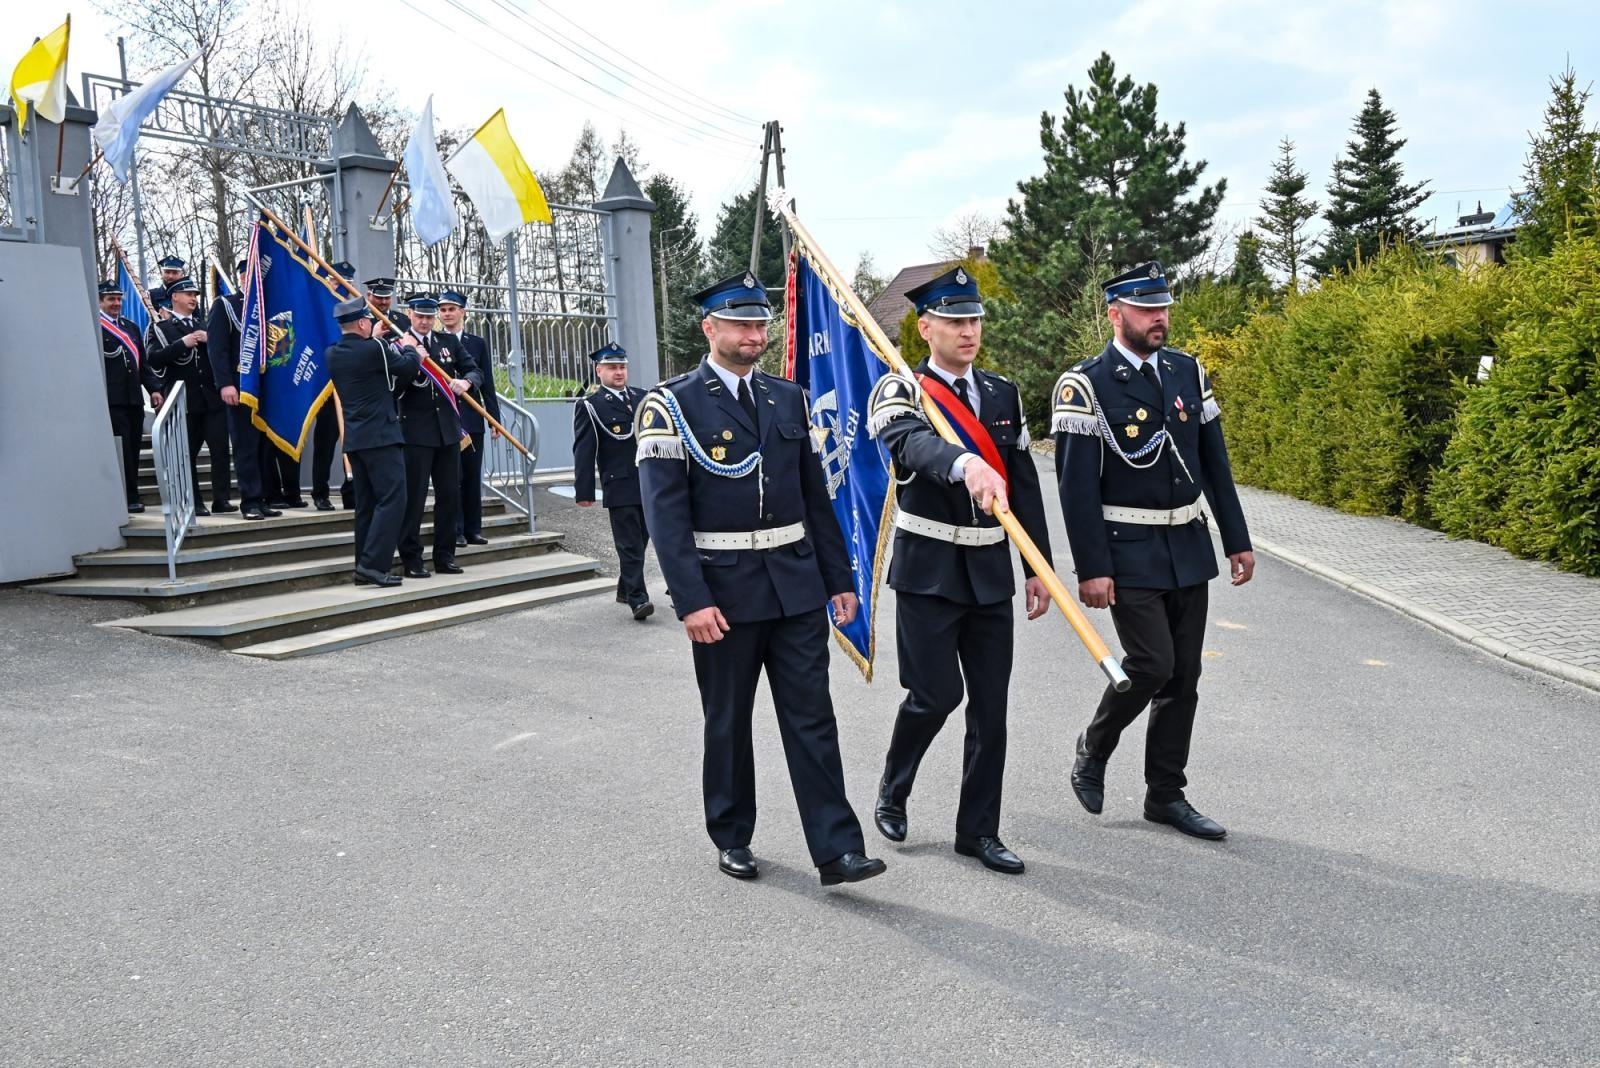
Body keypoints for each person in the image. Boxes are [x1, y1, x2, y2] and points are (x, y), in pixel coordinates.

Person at [636, 271, 886, 888]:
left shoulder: (788, 398)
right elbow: (665, 520)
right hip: (722, 594)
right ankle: (732, 833)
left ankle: (838, 850)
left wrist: (839, 579)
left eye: (761, 325)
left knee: (813, 719)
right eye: (742, 324)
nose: (755, 335)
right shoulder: (670, 405)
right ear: (710, 328)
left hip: (796, 586)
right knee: (728, 720)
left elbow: (814, 498)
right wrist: (690, 600)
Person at [1053, 261, 1254, 841]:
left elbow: (1215, 464)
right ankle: (1095, 744)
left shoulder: (1188, 372)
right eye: (1146, 309)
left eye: (1163, 307)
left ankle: (1166, 794)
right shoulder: (1085, 383)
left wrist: (1236, 539)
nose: (1159, 318)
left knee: (1183, 676)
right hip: (1127, 546)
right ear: (1115, 314)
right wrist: (1092, 568)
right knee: (1151, 664)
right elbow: (1076, 489)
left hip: (1186, 544)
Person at [866, 266, 1054, 875]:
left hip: (989, 571)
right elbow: (909, 445)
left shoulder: (1002, 394)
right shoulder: (901, 390)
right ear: (927, 329)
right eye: (954, 321)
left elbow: (1022, 482)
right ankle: (895, 786)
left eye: (974, 320)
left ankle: (978, 831)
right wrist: (963, 464)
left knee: (991, 707)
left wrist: (1037, 568)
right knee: (934, 694)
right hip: (928, 569)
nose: (968, 331)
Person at [326, 297, 424, 586]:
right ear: (362, 322)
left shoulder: (332, 353)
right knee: (394, 499)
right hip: (381, 436)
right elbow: (407, 368)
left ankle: (363, 566)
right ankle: (373, 565)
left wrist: (376, 339)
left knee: (366, 505)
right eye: (368, 320)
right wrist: (410, 347)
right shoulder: (377, 348)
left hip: (356, 440)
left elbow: (368, 362)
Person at [395, 294, 475, 578]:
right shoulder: (399, 344)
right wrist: (413, 358)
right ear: (410, 314)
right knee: (414, 499)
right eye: (421, 317)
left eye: (430, 317)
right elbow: (396, 386)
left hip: (448, 432)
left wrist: (466, 381)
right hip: (415, 433)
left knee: (450, 497)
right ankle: (412, 559)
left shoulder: (448, 342)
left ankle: (445, 556)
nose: (426, 322)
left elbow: (473, 369)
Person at [573, 342, 653, 620]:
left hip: (648, 483)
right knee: (629, 544)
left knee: (642, 540)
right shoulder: (591, 406)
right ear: (599, 371)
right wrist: (584, 490)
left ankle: (624, 587)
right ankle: (638, 599)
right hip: (618, 483)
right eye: (612, 368)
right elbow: (584, 450)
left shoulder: (644, 397)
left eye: (622, 367)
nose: (619, 372)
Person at [144, 277, 233, 516]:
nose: (193, 298)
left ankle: (221, 499)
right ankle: (195, 501)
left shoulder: (205, 324)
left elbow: (221, 354)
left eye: (195, 294)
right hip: (184, 402)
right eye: (188, 294)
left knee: (220, 450)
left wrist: (208, 339)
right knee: (187, 454)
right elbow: (153, 359)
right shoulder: (161, 328)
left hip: (211, 399)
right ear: (174, 297)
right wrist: (182, 343)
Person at [204, 260, 281, 521]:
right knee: (245, 445)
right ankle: (249, 501)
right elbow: (217, 349)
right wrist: (225, 383)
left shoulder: (269, 306)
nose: (253, 279)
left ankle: (263, 498)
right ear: (240, 277)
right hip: (240, 387)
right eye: (248, 274)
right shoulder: (225, 305)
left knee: (264, 447)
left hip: (267, 389)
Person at [436, 289, 500, 546]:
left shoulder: (477, 343)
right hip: (446, 419)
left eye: (452, 309)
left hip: (472, 420)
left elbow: (488, 383)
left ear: (463, 312)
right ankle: (457, 529)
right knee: (453, 477)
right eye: (443, 310)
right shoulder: (435, 342)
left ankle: (474, 529)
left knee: (473, 477)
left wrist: (493, 419)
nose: (447, 314)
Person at [98, 282, 163, 514]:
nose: (115, 303)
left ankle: (133, 495)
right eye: (110, 299)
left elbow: (143, 364)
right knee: (122, 450)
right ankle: (126, 497)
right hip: (112, 401)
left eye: (118, 299)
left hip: (133, 399)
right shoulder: (96, 327)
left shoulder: (131, 328)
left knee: (133, 449)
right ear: (100, 301)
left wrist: (154, 388)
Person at [307, 260, 360, 511]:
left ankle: (352, 493)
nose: (341, 287)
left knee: (354, 443)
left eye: (346, 283)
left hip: (352, 387)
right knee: (325, 444)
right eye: (337, 281)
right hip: (327, 387)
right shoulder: (318, 310)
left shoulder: (358, 311)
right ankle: (320, 492)